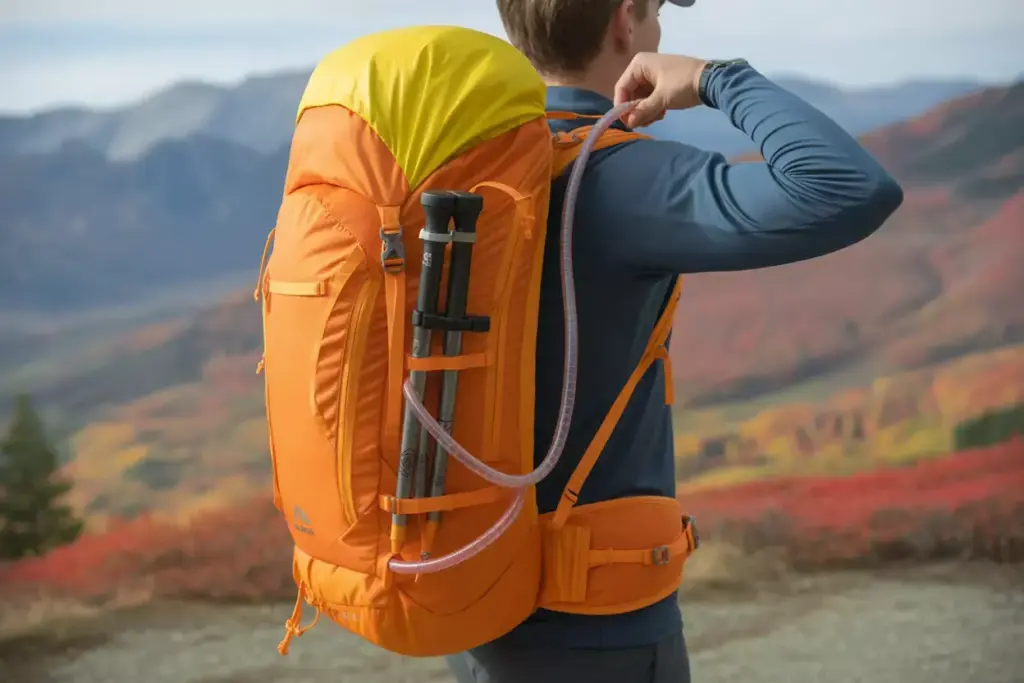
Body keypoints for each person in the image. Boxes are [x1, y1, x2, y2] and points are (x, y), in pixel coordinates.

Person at [446, 0, 904, 681]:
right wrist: (717, 78)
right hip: (600, 626)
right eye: (657, 9)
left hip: (470, 598)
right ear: (626, 20)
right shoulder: (620, 179)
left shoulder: (462, 171)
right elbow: (848, 186)